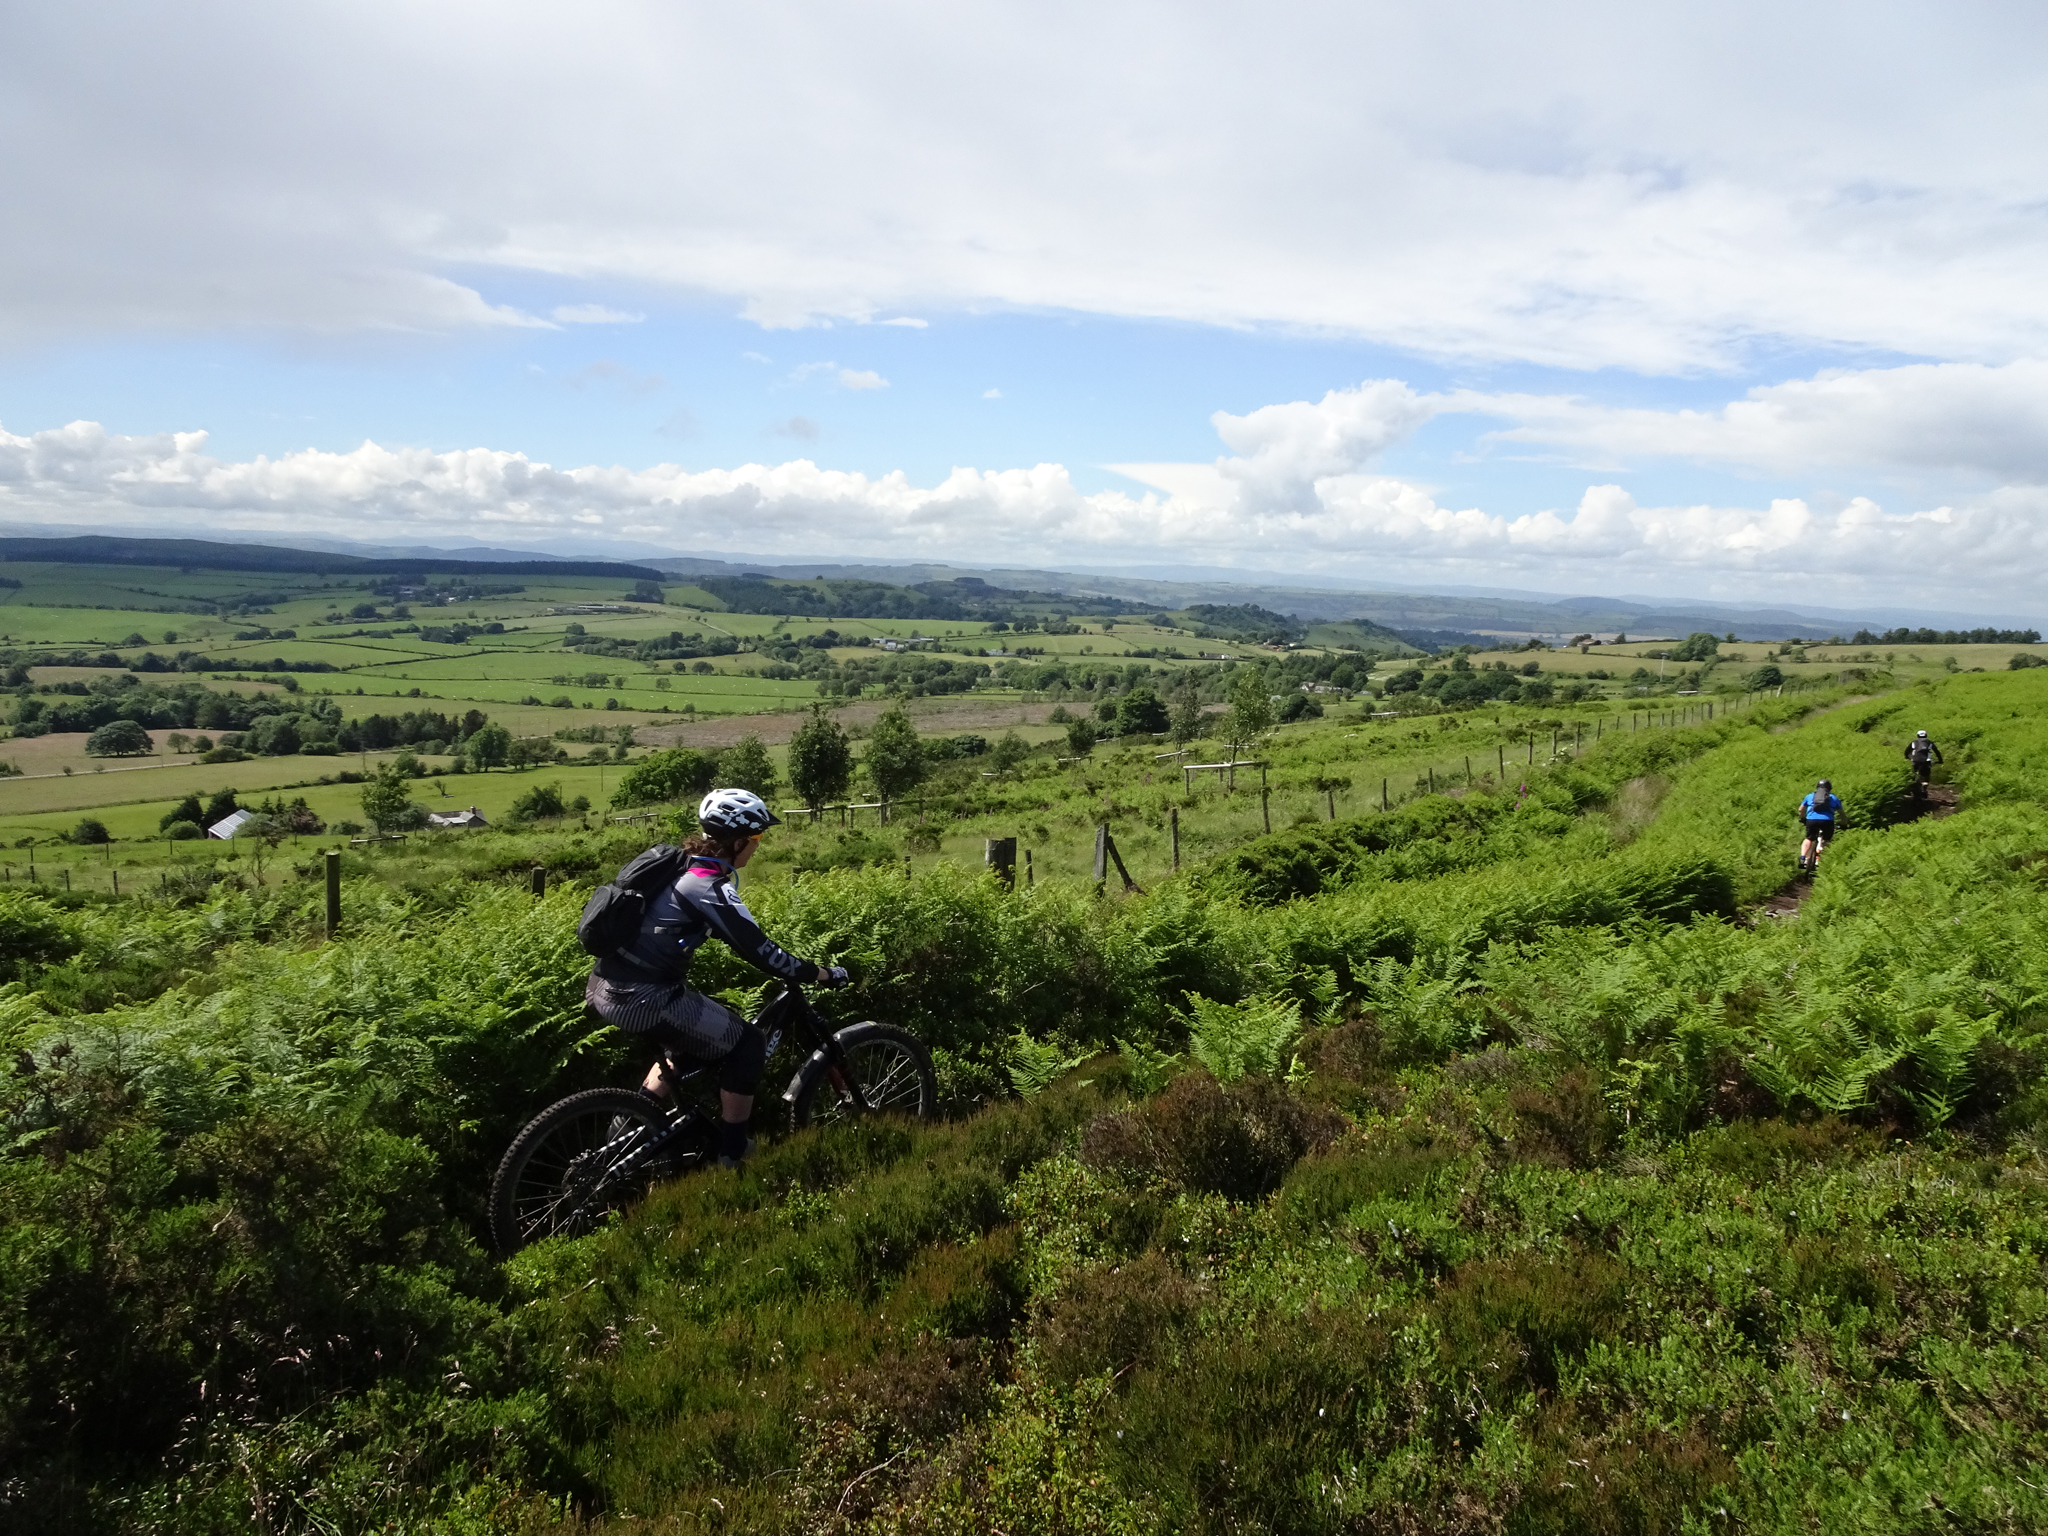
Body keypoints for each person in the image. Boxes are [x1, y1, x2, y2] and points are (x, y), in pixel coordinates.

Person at [585, 788, 848, 1168]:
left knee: (686, 1046)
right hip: (641, 996)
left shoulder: (680, 865)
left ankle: (629, 1127)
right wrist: (820, 973)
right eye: (757, 837)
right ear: (738, 842)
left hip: (606, 984)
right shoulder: (707, 885)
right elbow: (760, 951)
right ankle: (733, 1153)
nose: (758, 846)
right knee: (749, 1044)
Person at [1797, 778, 1842, 873]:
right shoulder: (1833, 798)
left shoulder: (1810, 796)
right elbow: (1841, 813)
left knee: (1809, 838)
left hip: (1811, 820)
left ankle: (1802, 858)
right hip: (1827, 821)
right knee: (1827, 839)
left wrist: (1802, 818)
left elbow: (1800, 809)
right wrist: (1844, 823)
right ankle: (1820, 859)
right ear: (1829, 788)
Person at [1905, 729, 1944, 794]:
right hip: (1926, 761)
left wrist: (1907, 757)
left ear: (1917, 735)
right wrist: (1940, 760)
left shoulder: (1914, 742)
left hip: (1915, 760)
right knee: (1926, 775)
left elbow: (1906, 751)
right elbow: (1937, 751)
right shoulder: (1929, 742)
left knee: (1913, 773)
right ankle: (1924, 787)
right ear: (1926, 735)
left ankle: (1911, 786)